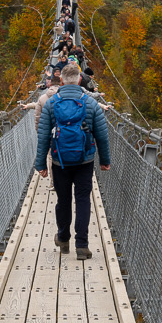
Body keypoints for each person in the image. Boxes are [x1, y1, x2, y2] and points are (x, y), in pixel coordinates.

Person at [34, 62, 111, 257]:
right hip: (85, 160)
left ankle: (63, 238)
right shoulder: (91, 103)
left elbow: (43, 135)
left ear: (60, 80)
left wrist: (41, 164)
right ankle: (82, 246)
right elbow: (102, 135)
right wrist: (105, 160)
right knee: (83, 200)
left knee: (64, 199)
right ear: (79, 79)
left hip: (60, 161)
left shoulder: (51, 103)